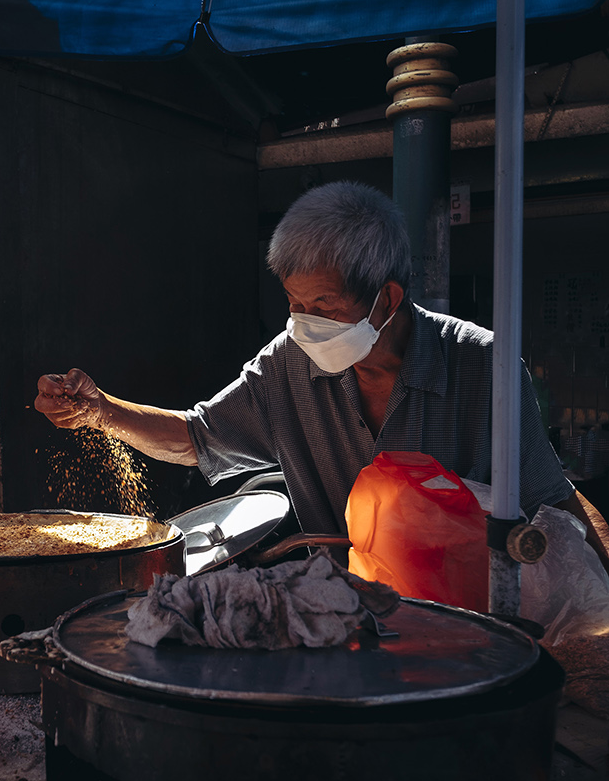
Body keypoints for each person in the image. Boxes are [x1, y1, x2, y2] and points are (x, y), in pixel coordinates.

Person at [36, 180, 609, 570]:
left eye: (324, 306)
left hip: (464, 621)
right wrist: (100, 411)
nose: (303, 325)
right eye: (293, 303)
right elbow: (196, 439)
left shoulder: (484, 366)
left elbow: (555, 505)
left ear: (386, 299)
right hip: (342, 621)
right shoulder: (287, 363)